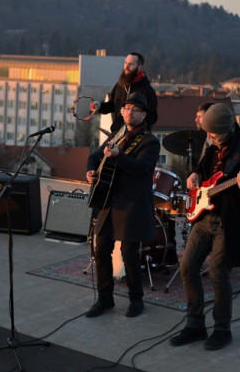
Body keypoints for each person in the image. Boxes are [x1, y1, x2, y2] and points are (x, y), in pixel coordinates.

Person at [170, 103, 240, 350]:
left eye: (213, 134)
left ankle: (222, 329)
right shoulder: (210, 141)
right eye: (207, 133)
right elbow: (203, 168)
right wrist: (195, 175)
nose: (208, 137)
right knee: (187, 268)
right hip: (204, 217)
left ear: (228, 129)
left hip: (227, 221)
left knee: (218, 275)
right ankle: (195, 325)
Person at [85, 92, 160, 318]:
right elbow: (96, 156)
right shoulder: (118, 134)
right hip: (109, 201)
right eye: (126, 108)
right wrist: (90, 170)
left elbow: (141, 169)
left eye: (134, 109)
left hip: (132, 204)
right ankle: (105, 299)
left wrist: (119, 156)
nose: (128, 112)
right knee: (101, 251)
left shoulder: (150, 141)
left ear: (144, 114)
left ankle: (136, 300)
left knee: (129, 255)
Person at [94, 52, 158, 132]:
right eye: (126, 63)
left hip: (137, 138)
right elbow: (112, 105)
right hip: (117, 134)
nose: (126, 67)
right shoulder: (120, 85)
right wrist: (99, 106)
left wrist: (131, 114)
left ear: (139, 67)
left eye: (131, 64)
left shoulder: (147, 90)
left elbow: (152, 117)